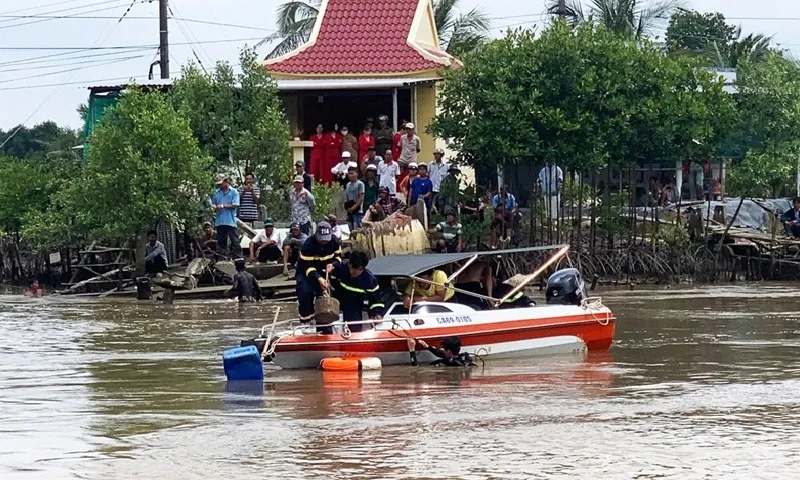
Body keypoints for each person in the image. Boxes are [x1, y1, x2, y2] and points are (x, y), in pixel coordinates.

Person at [295, 222, 343, 322]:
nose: (324, 242)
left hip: (324, 269)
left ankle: (323, 322)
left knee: (323, 294)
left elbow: (338, 257)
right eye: (321, 239)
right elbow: (307, 266)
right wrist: (318, 278)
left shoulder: (334, 241)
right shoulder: (308, 244)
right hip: (306, 270)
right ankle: (306, 319)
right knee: (305, 292)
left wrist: (333, 264)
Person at [329, 251, 384, 333]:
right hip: (335, 306)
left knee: (354, 332)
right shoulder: (339, 269)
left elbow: (376, 300)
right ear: (349, 264)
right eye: (353, 268)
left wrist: (378, 314)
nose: (356, 272)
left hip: (354, 309)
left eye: (360, 269)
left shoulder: (369, 280)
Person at [211, 173, 241, 258]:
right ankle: (222, 260)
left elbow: (235, 205)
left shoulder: (234, 192)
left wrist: (223, 206)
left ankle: (238, 259)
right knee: (221, 242)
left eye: (221, 183)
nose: (220, 185)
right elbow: (213, 203)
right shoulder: (216, 193)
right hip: (220, 221)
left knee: (234, 241)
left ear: (226, 181)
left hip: (230, 220)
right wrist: (213, 206)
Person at [408, 337, 477, 367]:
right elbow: (442, 353)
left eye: (443, 349)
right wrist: (427, 346)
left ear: (448, 350)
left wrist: (412, 350)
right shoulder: (465, 357)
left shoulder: (443, 362)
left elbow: (416, 368)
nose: (442, 350)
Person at [344, 165, 366, 229]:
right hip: (349, 210)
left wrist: (354, 207)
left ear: (357, 174)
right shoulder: (348, 185)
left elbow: (361, 197)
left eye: (352, 173)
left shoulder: (360, 184)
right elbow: (347, 197)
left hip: (358, 210)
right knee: (350, 227)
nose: (350, 175)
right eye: (349, 173)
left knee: (357, 227)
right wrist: (348, 208)